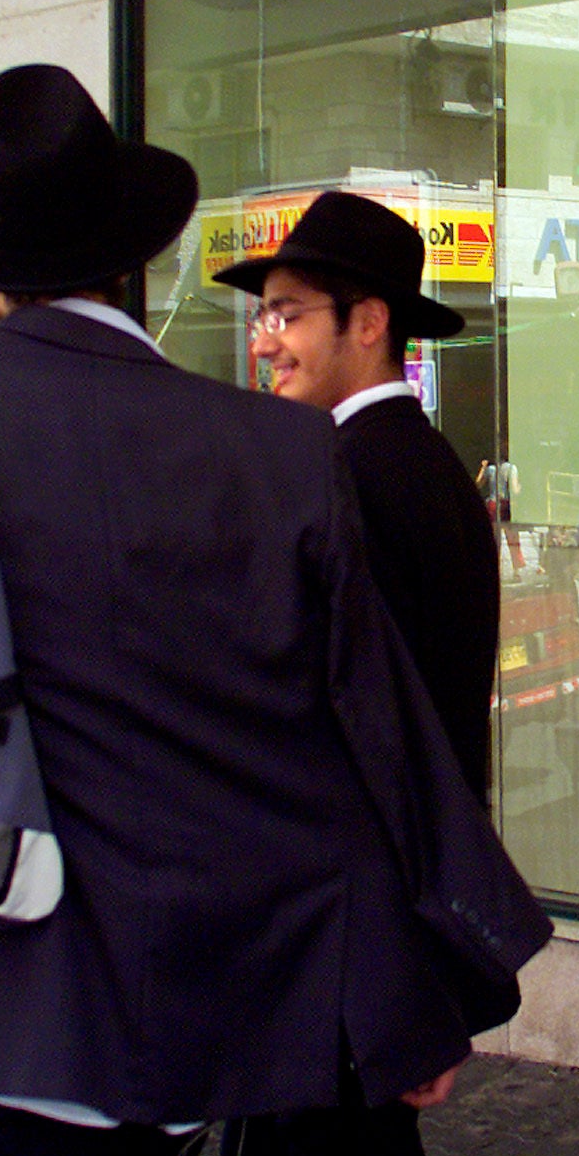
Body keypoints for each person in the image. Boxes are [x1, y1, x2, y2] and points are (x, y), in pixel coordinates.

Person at [0, 64, 548, 1156]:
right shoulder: (279, 450)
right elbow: (373, 737)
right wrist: (420, 988)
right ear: (134, 259)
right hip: (225, 984)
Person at [218, 190, 498, 806]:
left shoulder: (347, 476)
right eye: (261, 319)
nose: (264, 345)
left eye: (287, 317)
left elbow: (350, 720)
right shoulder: (427, 461)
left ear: (369, 324)